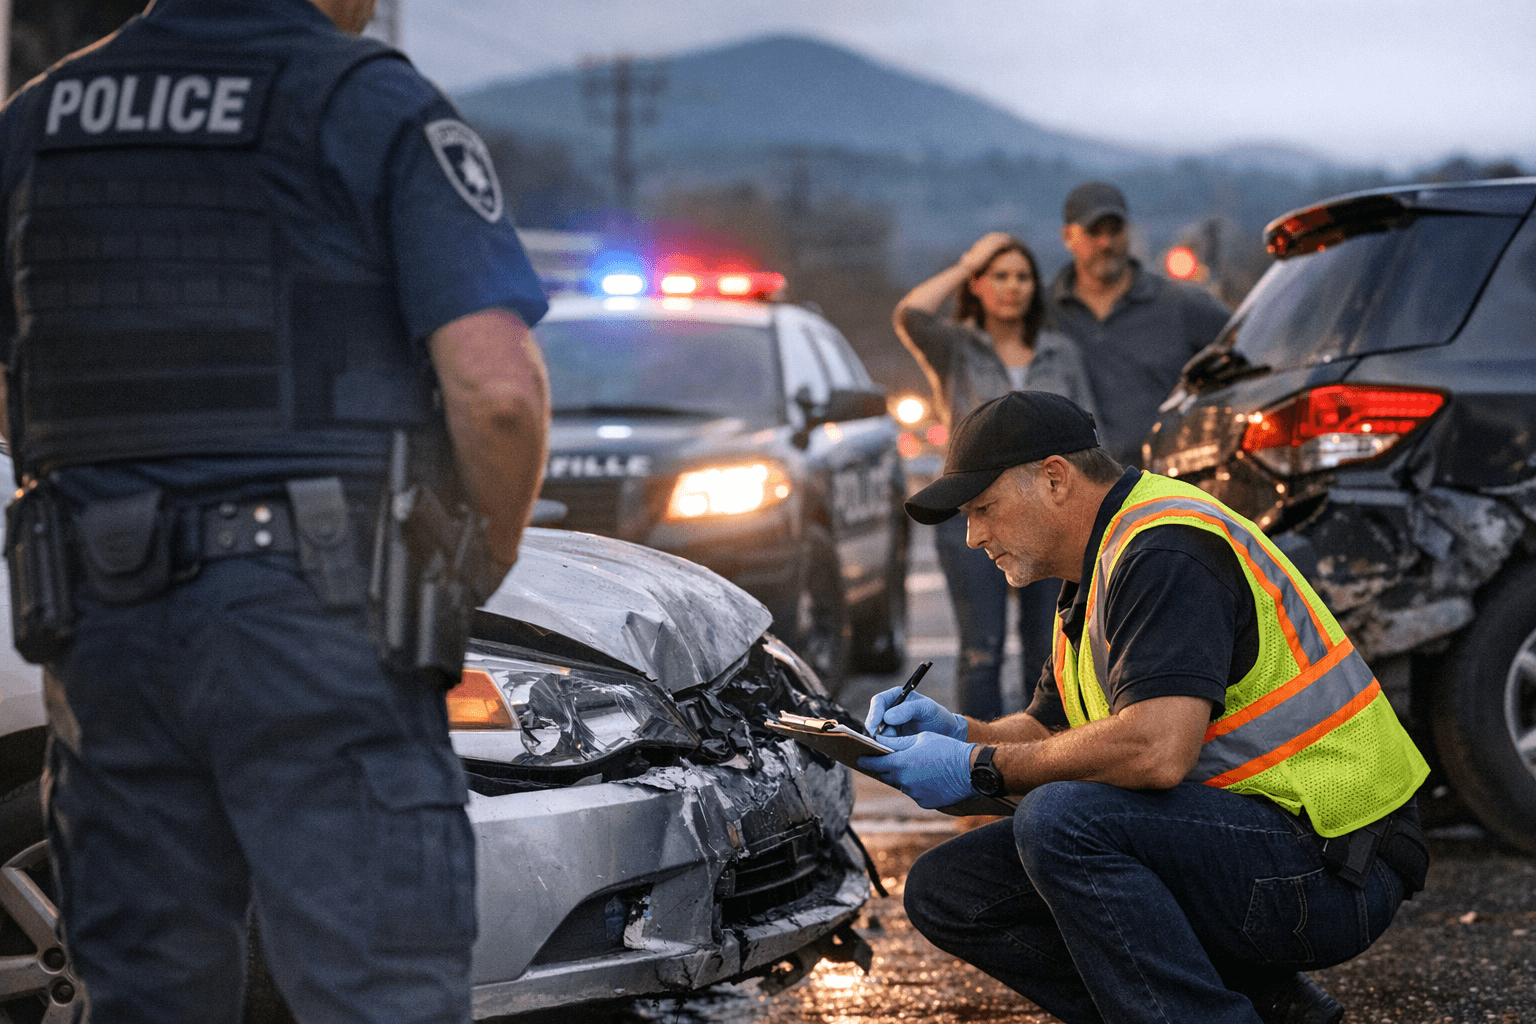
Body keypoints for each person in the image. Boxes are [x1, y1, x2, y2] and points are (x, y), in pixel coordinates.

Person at [0, 0, 550, 1020]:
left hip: (100, 628)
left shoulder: (39, 117)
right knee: (376, 989)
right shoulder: (366, 102)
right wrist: (477, 564)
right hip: (320, 621)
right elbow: (499, 393)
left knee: (143, 992)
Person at [859, 391, 1431, 1024]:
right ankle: (1259, 1005)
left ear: (1054, 478)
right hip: (1264, 842)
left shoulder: (1163, 550)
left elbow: (1157, 750)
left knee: (1064, 821)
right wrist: (960, 734)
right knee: (949, 889)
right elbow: (1050, 731)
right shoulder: (1095, 569)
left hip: (1336, 863)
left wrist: (978, 767)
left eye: (983, 508)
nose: (973, 537)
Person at [893, 233, 1096, 718]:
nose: (1012, 286)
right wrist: (969, 262)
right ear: (978, 286)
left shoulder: (1061, 351)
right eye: (999, 275)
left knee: (1047, 652)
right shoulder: (956, 348)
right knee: (980, 653)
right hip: (972, 513)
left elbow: (1088, 432)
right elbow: (911, 315)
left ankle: (1044, 754)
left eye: (1022, 276)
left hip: (1047, 516)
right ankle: (979, 757)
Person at [1048, 181, 1231, 464]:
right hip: (1077, 483)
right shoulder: (1044, 312)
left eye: (1115, 230)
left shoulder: (1179, 304)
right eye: (1094, 232)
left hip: (1166, 479)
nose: (1106, 243)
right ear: (1067, 236)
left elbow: (1245, 349)